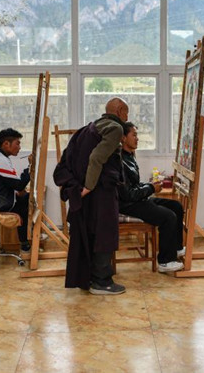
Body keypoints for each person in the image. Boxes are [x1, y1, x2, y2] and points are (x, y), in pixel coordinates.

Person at [54, 97, 128, 295]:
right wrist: (88, 186)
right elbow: (96, 158)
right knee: (105, 233)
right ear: (119, 110)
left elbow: (70, 156)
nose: (127, 118)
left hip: (92, 195)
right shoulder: (115, 128)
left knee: (93, 233)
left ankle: (92, 277)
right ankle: (102, 282)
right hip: (101, 191)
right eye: (126, 113)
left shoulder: (91, 127)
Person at [118, 122, 185, 273]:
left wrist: (149, 185)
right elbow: (128, 194)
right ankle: (165, 261)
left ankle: (176, 248)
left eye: (137, 135)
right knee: (168, 217)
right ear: (123, 138)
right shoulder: (119, 160)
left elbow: (134, 185)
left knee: (176, 206)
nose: (137, 138)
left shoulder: (130, 156)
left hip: (137, 200)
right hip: (128, 205)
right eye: (134, 135)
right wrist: (151, 188)